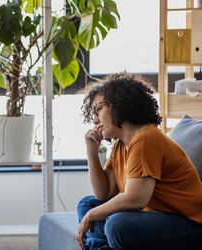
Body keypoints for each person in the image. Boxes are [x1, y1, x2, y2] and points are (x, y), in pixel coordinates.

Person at [76, 72, 202, 250]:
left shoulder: (145, 139)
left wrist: (90, 216)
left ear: (119, 106)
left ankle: (101, 244)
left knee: (116, 225)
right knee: (87, 204)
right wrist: (92, 152)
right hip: (153, 216)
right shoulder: (121, 144)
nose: (94, 119)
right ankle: (101, 246)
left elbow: (135, 199)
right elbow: (103, 194)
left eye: (99, 110)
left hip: (190, 225)